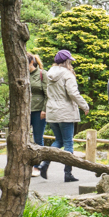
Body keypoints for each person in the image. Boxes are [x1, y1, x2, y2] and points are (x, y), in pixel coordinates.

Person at [39, 49, 88, 182]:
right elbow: (73, 93)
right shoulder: (67, 74)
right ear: (66, 61)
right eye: (69, 61)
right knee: (68, 143)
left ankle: (44, 164)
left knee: (58, 141)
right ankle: (68, 174)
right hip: (65, 111)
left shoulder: (48, 73)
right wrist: (84, 105)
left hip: (52, 111)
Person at [27, 53, 47, 177]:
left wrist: (44, 110)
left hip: (39, 110)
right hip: (25, 110)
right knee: (23, 137)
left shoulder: (42, 74)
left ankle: (38, 166)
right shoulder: (23, 74)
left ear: (31, 63)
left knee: (38, 138)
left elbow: (47, 94)